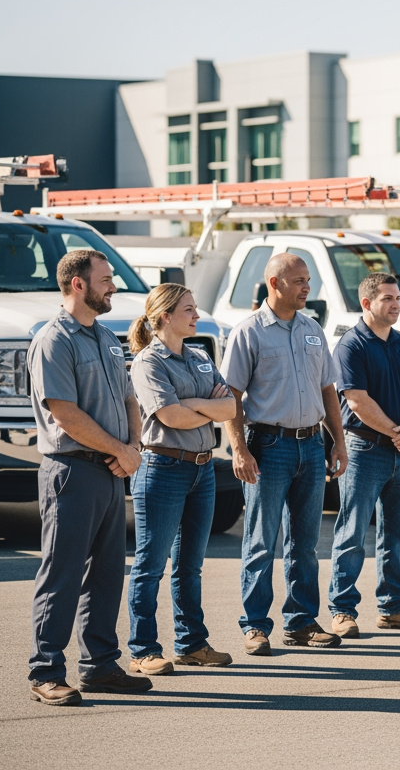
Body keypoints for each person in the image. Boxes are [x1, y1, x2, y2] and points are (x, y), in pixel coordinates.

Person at [26, 249, 152, 705]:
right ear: (78, 285)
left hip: (109, 470)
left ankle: (99, 665)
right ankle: (45, 672)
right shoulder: (53, 340)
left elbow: (130, 400)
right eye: (105, 279)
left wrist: (132, 449)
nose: (113, 286)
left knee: (105, 575)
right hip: (71, 472)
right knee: (61, 575)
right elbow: (64, 414)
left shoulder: (103, 337)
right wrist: (120, 450)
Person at [221, 253, 348, 656]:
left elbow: (328, 388)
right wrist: (239, 449)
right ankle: (255, 626)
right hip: (268, 446)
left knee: (305, 542)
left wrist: (338, 442)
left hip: (312, 445)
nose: (307, 287)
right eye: (299, 280)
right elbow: (231, 397)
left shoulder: (312, 329)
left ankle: (301, 622)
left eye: (308, 280)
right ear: (275, 283)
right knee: (261, 540)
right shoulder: (249, 333)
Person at [126, 283, 237, 675]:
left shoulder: (201, 356)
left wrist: (196, 406)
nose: (196, 315)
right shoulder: (147, 362)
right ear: (164, 317)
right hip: (162, 469)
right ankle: (142, 650)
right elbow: (170, 417)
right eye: (188, 309)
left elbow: (230, 406)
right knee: (150, 565)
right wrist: (209, 407)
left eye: (195, 307)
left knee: (189, 565)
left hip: (203, 469)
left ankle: (191, 644)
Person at [328, 273, 400, 638]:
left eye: (399, 298)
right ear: (367, 303)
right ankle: (342, 610)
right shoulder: (351, 346)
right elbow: (357, 400)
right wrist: (397, 432)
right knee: (352, 532)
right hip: (364, 449)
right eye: (388, 298)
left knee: (397, 535)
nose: (396, 304)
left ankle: (393, 607)